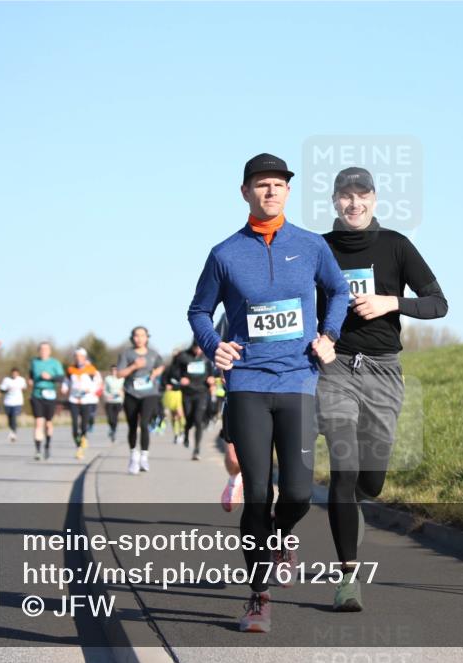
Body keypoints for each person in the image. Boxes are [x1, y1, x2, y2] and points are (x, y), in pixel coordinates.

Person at [188, 153, 349, 632]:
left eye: (278, 184)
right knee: (257, 493)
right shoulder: (224, 254)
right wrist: (215, 346)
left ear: (288, 192)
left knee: (297, 493)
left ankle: (280, 536)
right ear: (245, 193)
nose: (271, 191)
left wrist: (329, 335)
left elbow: (338, 291)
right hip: (249, 384)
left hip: (299, 380)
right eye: (261, 184)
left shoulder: (312, 245)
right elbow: (198, 311)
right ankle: (259, 596)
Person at [317, 167, 449, 612]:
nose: (354, 203)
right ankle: (348, 578)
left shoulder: (395, 245)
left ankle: (356, 500)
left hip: (383, 372)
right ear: (335, 201)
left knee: (369, 482)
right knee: (343, 468)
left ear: (374, 199)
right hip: (334, 370)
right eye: (346, 196)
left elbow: (438, 302)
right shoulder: (319, 248)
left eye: (362, 194)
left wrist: (391, 302)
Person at [116, 326, 165, 474]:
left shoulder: (153, 354)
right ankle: (133, 456)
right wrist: (133, 367)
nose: (139, 338)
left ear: (147, 338)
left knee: (144, 423)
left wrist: (156, 372)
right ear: (132, 338)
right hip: (131, 393)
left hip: (150, 393)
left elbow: (161, 366)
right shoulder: (126, 354)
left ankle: (144, 456)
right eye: (136, 336)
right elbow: (119, 374)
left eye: (142, 335)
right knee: (132, 425)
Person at [174, 340, 215, 461]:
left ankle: (196, 450)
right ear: (192, 346)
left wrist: (211, 379)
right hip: (187, 393)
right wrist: (181, 378)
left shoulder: (207, 356)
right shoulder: (183, 356)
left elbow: (212, 372)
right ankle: (186, 433)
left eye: (200, 348)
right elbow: (174, 372)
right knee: (188, 418)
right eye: (196, 348)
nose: (198, 351)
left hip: (202, 392)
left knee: (198, 420)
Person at [63, 347, 102, 460]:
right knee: (74, 426)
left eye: (81, 356)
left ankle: (82, 444)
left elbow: (98, 383)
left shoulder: (92, 370)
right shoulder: (70, 370)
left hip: (87, 400)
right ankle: (78, 443)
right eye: (76, 356)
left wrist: (92, 390)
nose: (78, 358)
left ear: (85, 358)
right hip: (74, 399)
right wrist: (64, 388)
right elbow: (66, 382)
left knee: (84, 424)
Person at [29, 341, 65, 461]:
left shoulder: (55, 363)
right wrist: (30, 380)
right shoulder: (34, 362)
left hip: (50, 394)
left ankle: (47, 446)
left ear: (49, 351)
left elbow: (61, 378)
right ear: (39, 351)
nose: (43, 351)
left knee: (48, 423)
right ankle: (38, 450)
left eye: (46, 349)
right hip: (37, 394)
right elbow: (30, 374)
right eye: (41, 349)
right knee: (38, 422)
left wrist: (50, 377)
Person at [162, 349, 185, 444]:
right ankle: (176, 434)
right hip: (171, 393)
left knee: (180, 414)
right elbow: (164, 379)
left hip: (180, 393)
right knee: (174, 416)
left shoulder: (184, 367)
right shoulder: (169, 368)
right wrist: (166, 384)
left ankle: (183, 431)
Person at [0, 367, 27, 442]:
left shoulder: (21, 380)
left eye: (16, 373)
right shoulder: (6, 380)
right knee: (10, 418)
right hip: (8, 402)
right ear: (11, 373)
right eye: (13, 373)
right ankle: (12, 430)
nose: (14, 375)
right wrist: (7, 389)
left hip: (17, 402)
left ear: (18, 374)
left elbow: (24, 388)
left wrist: (21, 389)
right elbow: (1, 390)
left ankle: (13, 433)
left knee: (14, 417)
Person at [102, 365, 125, 442]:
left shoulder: (122, 379)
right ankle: (111, 428)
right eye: (112, 370)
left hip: (118, 401)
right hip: (109, 401)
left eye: (115, 370)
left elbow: (125, 388)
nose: (114, 371)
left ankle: (113, 431)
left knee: (115, 418)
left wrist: (122, 393)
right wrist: (108, 396)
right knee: (110, 418)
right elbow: (104, 389)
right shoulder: (107, 379)